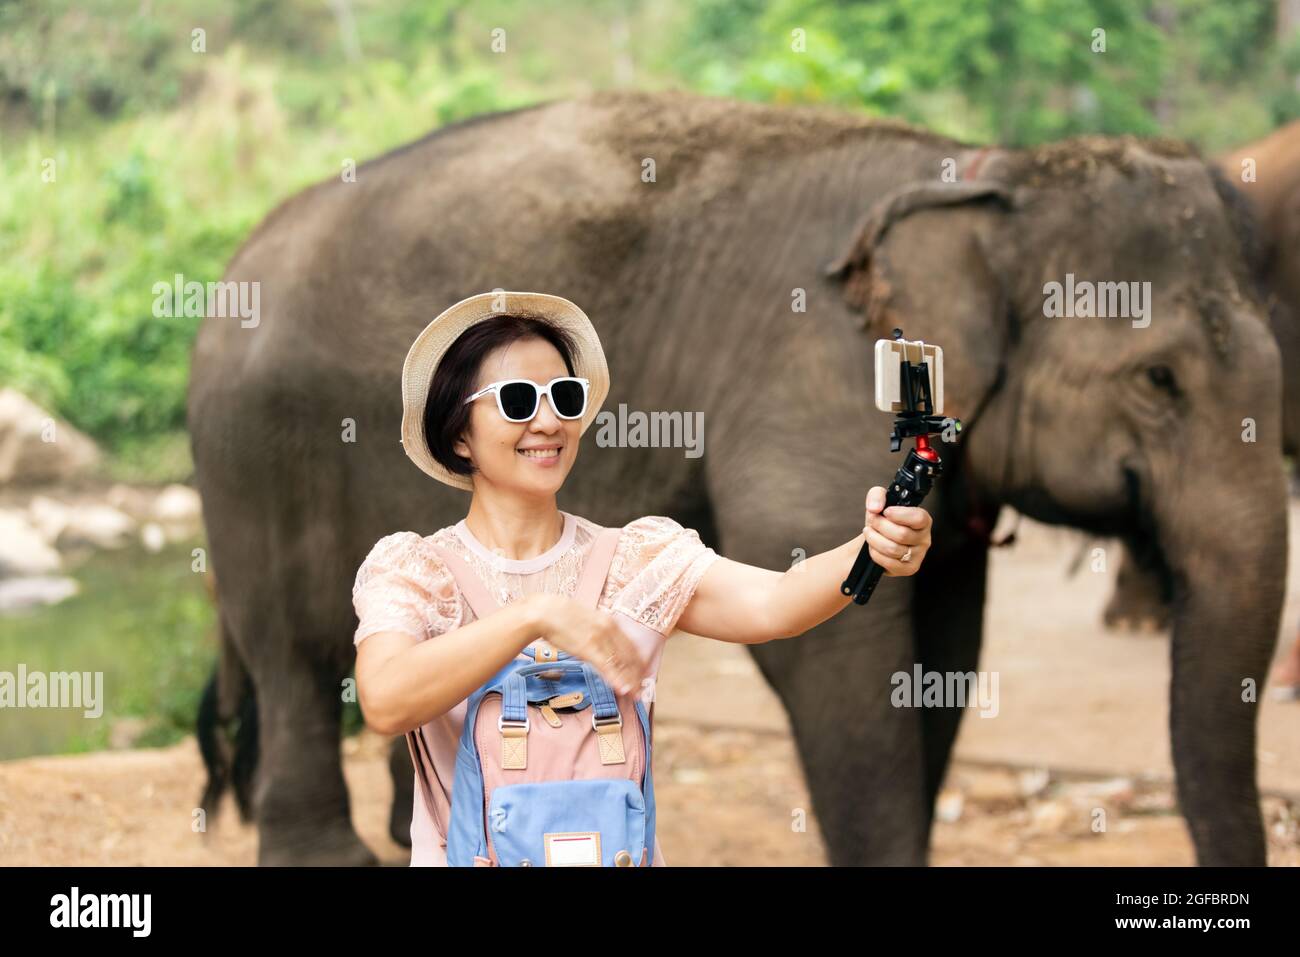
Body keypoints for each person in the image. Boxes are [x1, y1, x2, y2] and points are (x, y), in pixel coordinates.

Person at [351, 290, 933, 865]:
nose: (549, 421)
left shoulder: (637, 560)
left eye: (565, 396)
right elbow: (384, 700)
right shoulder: (419, 573)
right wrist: (535, 614)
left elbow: (775, 604)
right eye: (518, 401)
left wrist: (871, 547)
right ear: (459, 434)